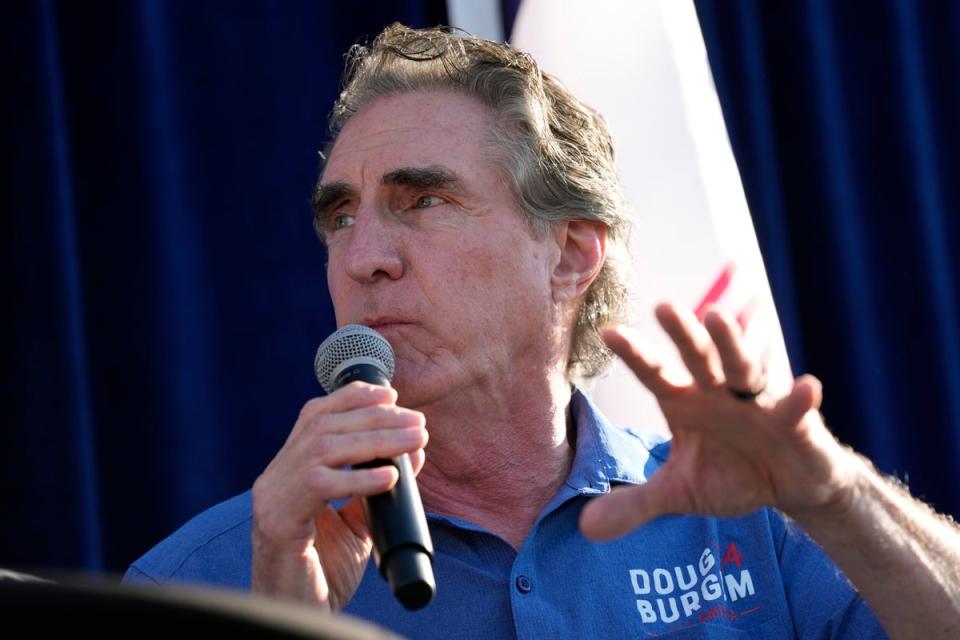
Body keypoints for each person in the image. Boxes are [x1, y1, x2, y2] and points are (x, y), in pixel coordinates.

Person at [124, 23, 960, 638]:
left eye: (424, 200)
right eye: (340, 217)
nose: (363, 257)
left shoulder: (746, 509)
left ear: (569, 253)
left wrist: (837, 497)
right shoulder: (204, 576)